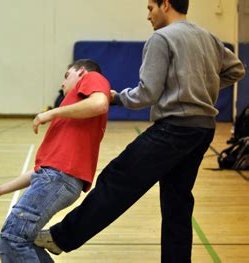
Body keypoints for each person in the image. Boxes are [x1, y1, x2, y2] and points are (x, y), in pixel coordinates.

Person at [34, 0, 246, 262]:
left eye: (150, 8)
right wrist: (202, 88)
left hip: (174, 129)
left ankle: (60, 237)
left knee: (117, 178)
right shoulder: (208, 37)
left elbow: (146, 94)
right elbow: (236, 69)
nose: (148, 16)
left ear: (165, 4)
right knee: (177, 203)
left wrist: (116, 98)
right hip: (202, 130)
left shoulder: (161, 38)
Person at [0, 59, 110, 263]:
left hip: (57, 180)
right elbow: (42, 171)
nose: (63, 84)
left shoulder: (92, 77)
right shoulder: (73, 116)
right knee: (22, 240)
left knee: (13, 239)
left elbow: (99, 103)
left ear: (81, 72)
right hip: (54, 179)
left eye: (66, 76)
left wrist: (50, 113)